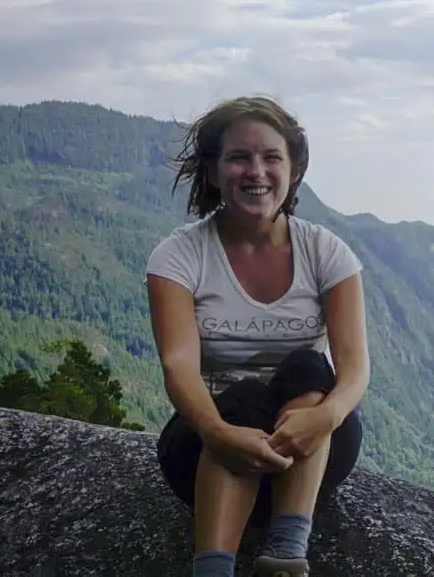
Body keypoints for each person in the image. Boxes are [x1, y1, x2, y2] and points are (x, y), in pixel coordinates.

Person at [145, 96, 370, 577]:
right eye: (239, 157)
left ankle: (286, 555)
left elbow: (354, 368)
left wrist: (325, 417)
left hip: (309, 451)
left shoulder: (327, 253)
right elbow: (178, 366)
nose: (256, 171)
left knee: (311, 367)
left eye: (271, 158)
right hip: (208, 449)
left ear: (293, 171)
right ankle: (212, 569)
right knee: (243, 394)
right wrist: (218, 433)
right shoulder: (179, 256)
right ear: (212, 171)